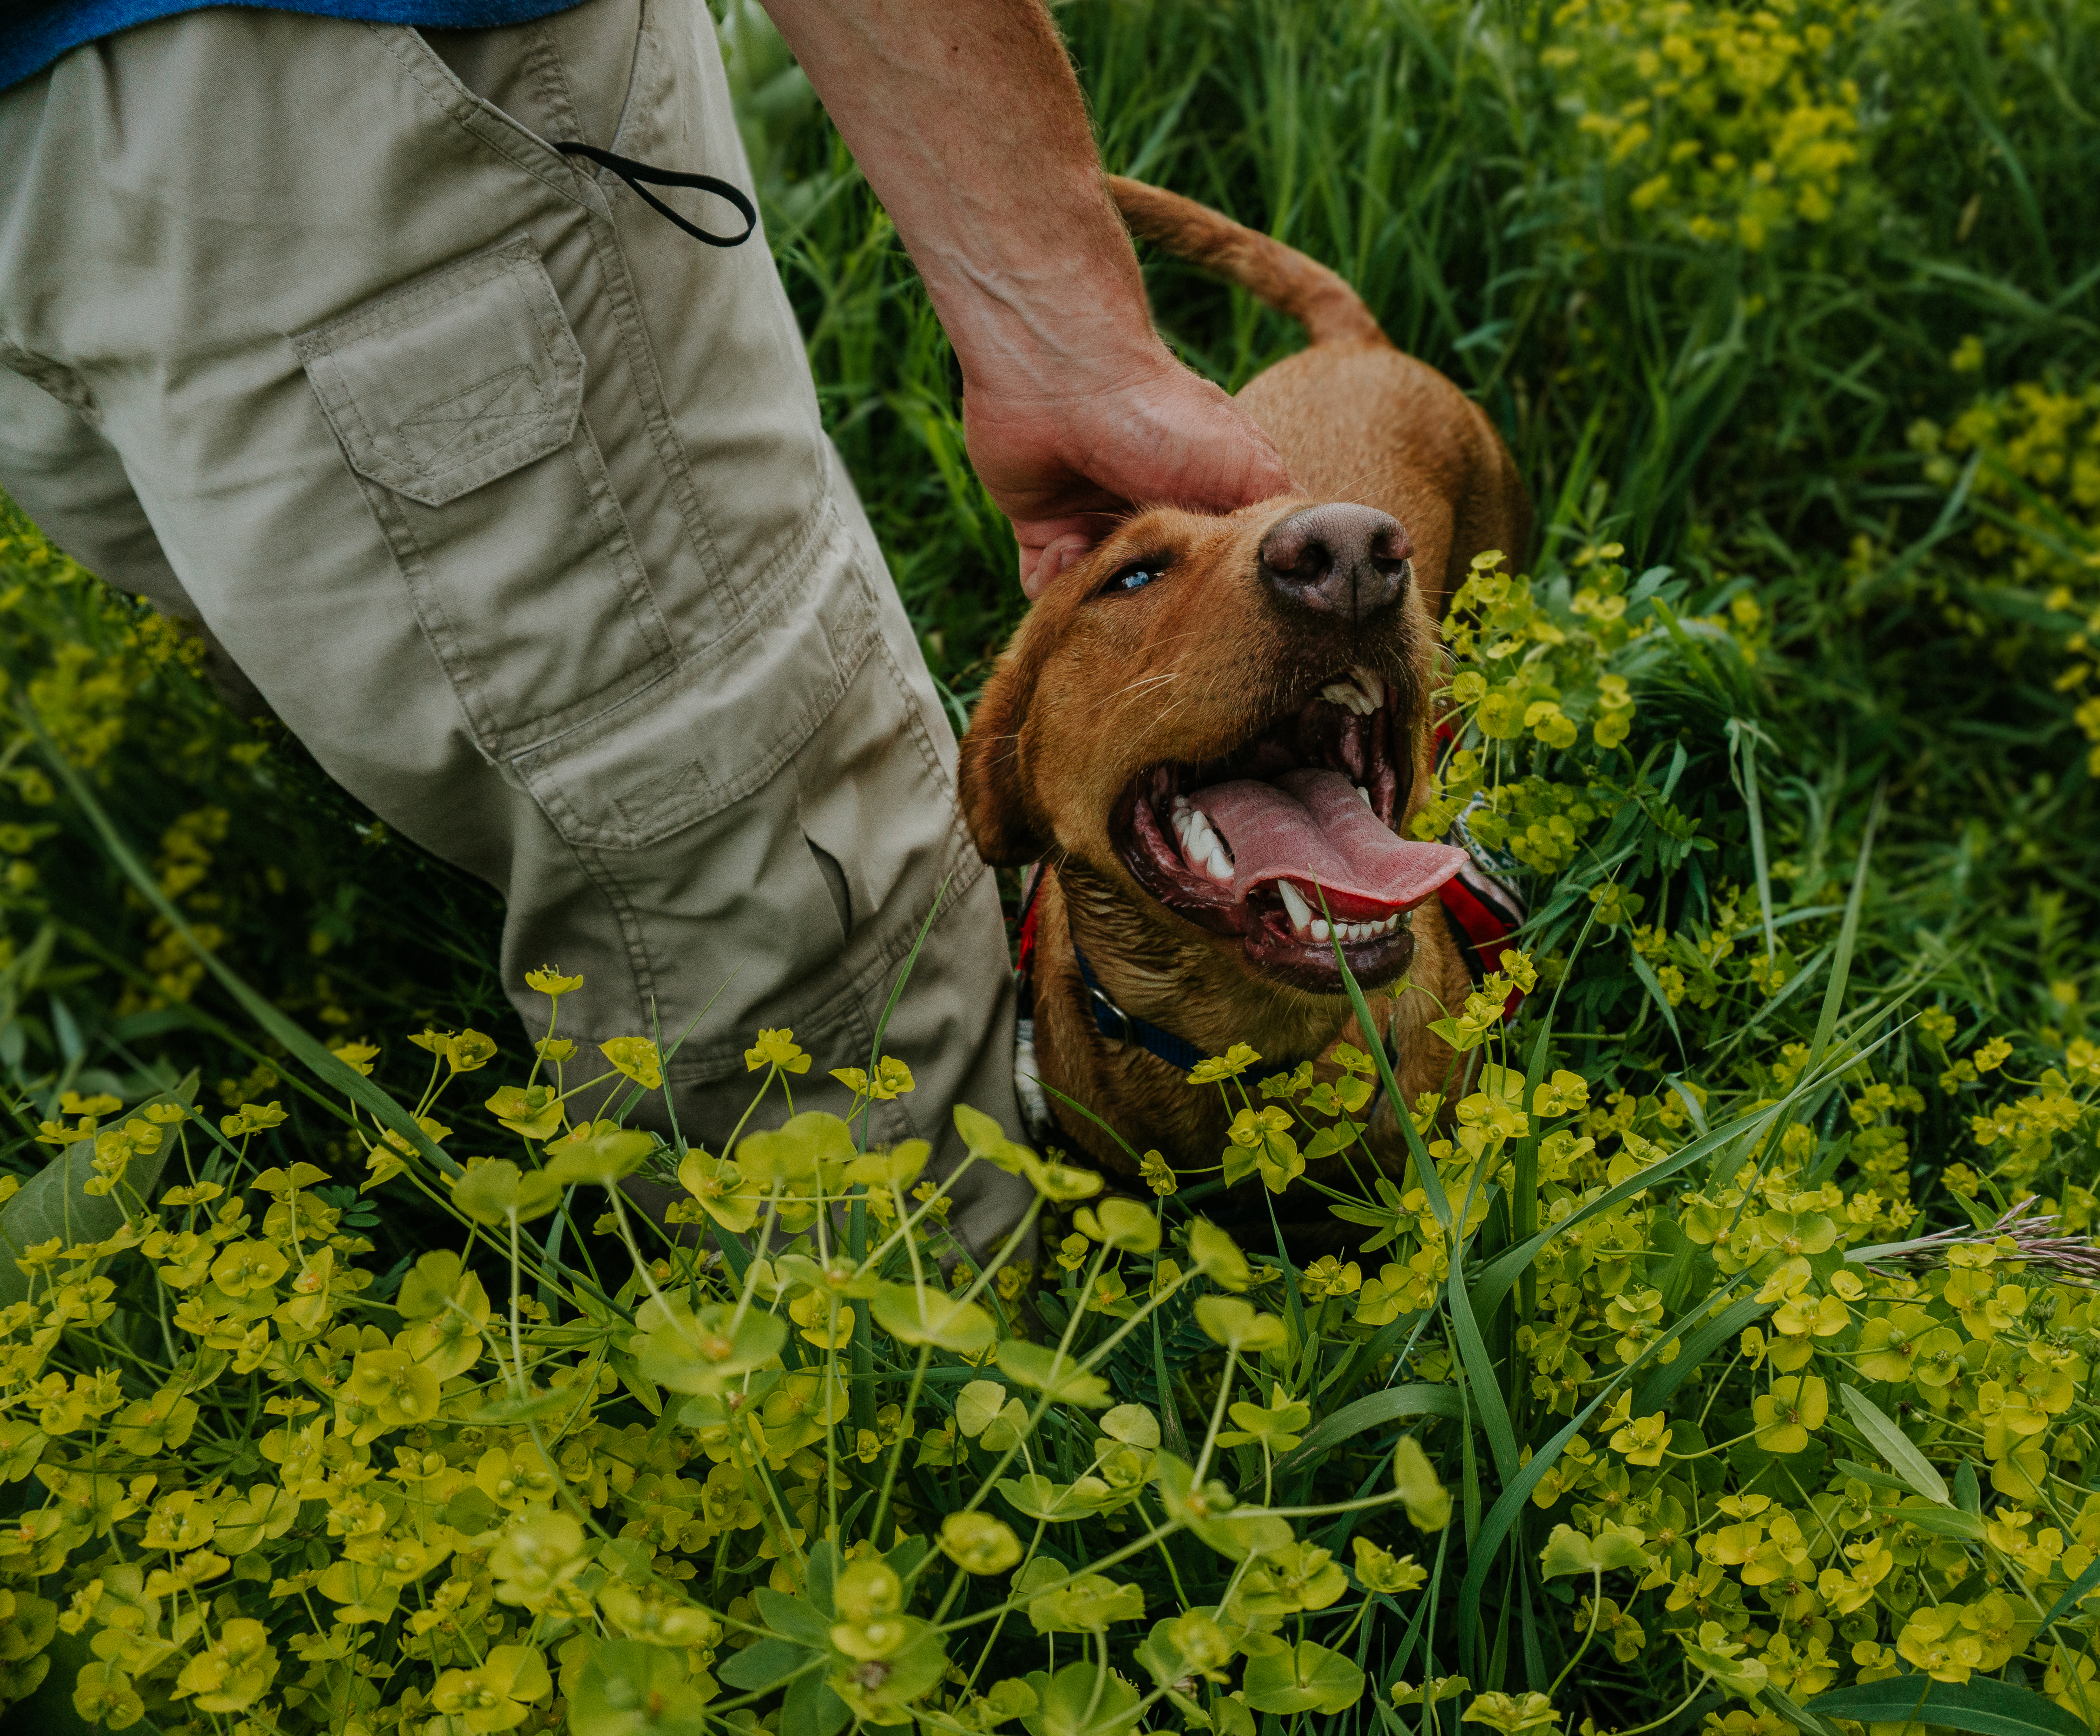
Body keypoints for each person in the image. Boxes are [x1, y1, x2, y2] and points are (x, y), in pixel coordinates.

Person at [0, 0, 1292, 1253]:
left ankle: (941, 1358)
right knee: (685, 864)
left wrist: (1064, 335)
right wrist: (1065, 333)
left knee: (655, 820)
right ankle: (936, 1390)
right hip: (252, 109)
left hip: (231, 97)